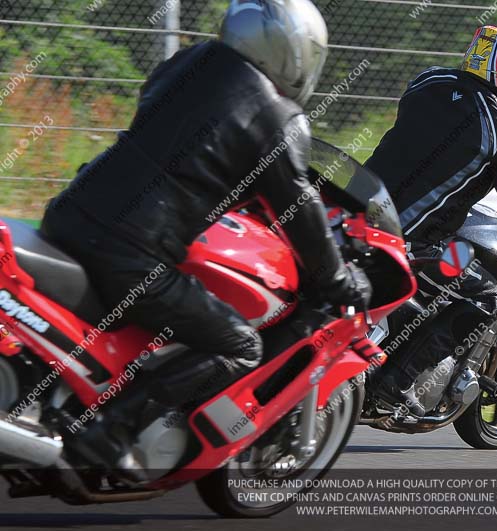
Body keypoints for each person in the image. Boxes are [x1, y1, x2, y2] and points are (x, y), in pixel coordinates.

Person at [40, 0, 370, 477]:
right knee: (237, 345)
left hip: (68, 215)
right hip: (131, 256)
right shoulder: (276, 117)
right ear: (290, 51)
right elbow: (298, 205)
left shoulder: (184, 66)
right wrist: (336, 277)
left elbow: (183, 147)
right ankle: (108, 432)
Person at [364, 26, 497, 415]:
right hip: (408, 240)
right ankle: (393, 388)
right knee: (488, 298)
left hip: (356, 210)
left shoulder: (428, 82)